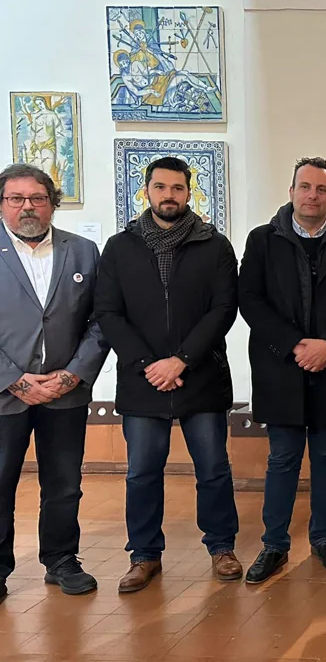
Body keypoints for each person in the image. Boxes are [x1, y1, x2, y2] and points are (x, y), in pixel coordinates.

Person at [95, 156, 242, 592]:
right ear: (146, 191)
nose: (169, 196)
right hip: (142, 380)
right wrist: (148, 365)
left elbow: (223, 309)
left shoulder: (214, 245)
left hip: (200, 375)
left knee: (213, 468)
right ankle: (143, 555)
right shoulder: (120, 247)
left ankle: (221, 546)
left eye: (177, 188)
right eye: (160, 187)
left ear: (189, 192)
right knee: (142, 471)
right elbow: (108, 311)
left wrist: (181, 360)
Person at [238, 158, 326, 584]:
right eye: (305, 187)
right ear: (291, 191)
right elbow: (250, 300)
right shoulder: (262, 240)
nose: (312, 195)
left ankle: (323, 539)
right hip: (282, 366)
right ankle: (274, 545)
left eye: (321, 189)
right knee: (281, 459)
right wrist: (296, 345)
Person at [0, 165, 109, 601]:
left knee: (64, 483)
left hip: (65, 394)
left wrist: (72, 374)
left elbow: (102, 321)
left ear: (52, 203)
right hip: (5, 396)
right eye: (16, 198)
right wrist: (15, 380)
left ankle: (62, 560)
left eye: (37, 198)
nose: (27, 206)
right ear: (2, 203)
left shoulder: (83, 252)